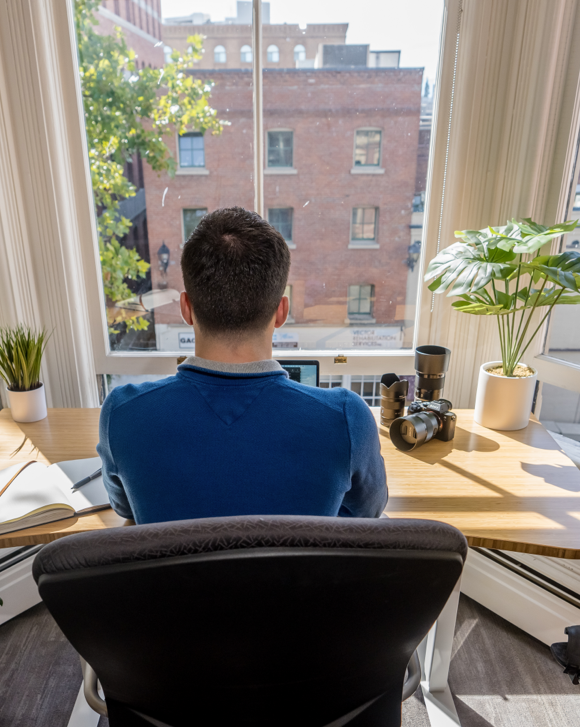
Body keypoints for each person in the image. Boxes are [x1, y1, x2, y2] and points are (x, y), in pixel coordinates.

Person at [98, 207, 387, 524]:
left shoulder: (123, 414)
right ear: (281, 312)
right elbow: (368, 512)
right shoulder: (347, 419)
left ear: (185, 309)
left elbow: (126, 509)